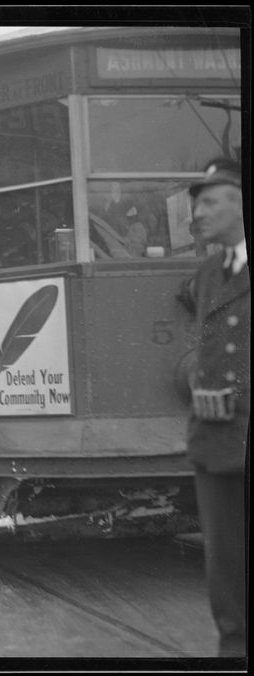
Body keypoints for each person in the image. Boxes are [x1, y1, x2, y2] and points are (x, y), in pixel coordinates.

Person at [177, 157, 248, 658]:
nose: (196, 214)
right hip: (216, 442)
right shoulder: (207, 274)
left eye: (208, 200)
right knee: (225, 571)